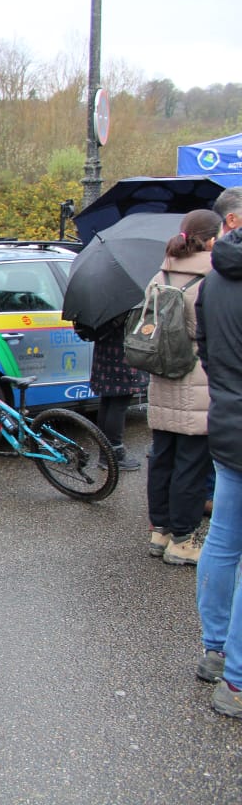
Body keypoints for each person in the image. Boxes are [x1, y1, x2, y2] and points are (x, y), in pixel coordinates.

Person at [145, 209, 218, 565]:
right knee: (192, 463)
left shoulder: (160, 274)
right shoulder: (211, 277)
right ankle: (184, 539)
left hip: (162, 376)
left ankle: (160, 532)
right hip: (196, 379)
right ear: (212, 239)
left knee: (162, 457)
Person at [194, 188, 242, 718]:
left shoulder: (214, 281)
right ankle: (235, 680)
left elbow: (206, 350)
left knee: (225, 541)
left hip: (227, 420)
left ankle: (215, 649)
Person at [88, 317, 146, 472]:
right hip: (121, 356)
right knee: (118, 405)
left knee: (107, 402)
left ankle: (105, 453)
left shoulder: (102, 305)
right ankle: (115, 453)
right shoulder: (125, 303)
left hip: (103, 354)